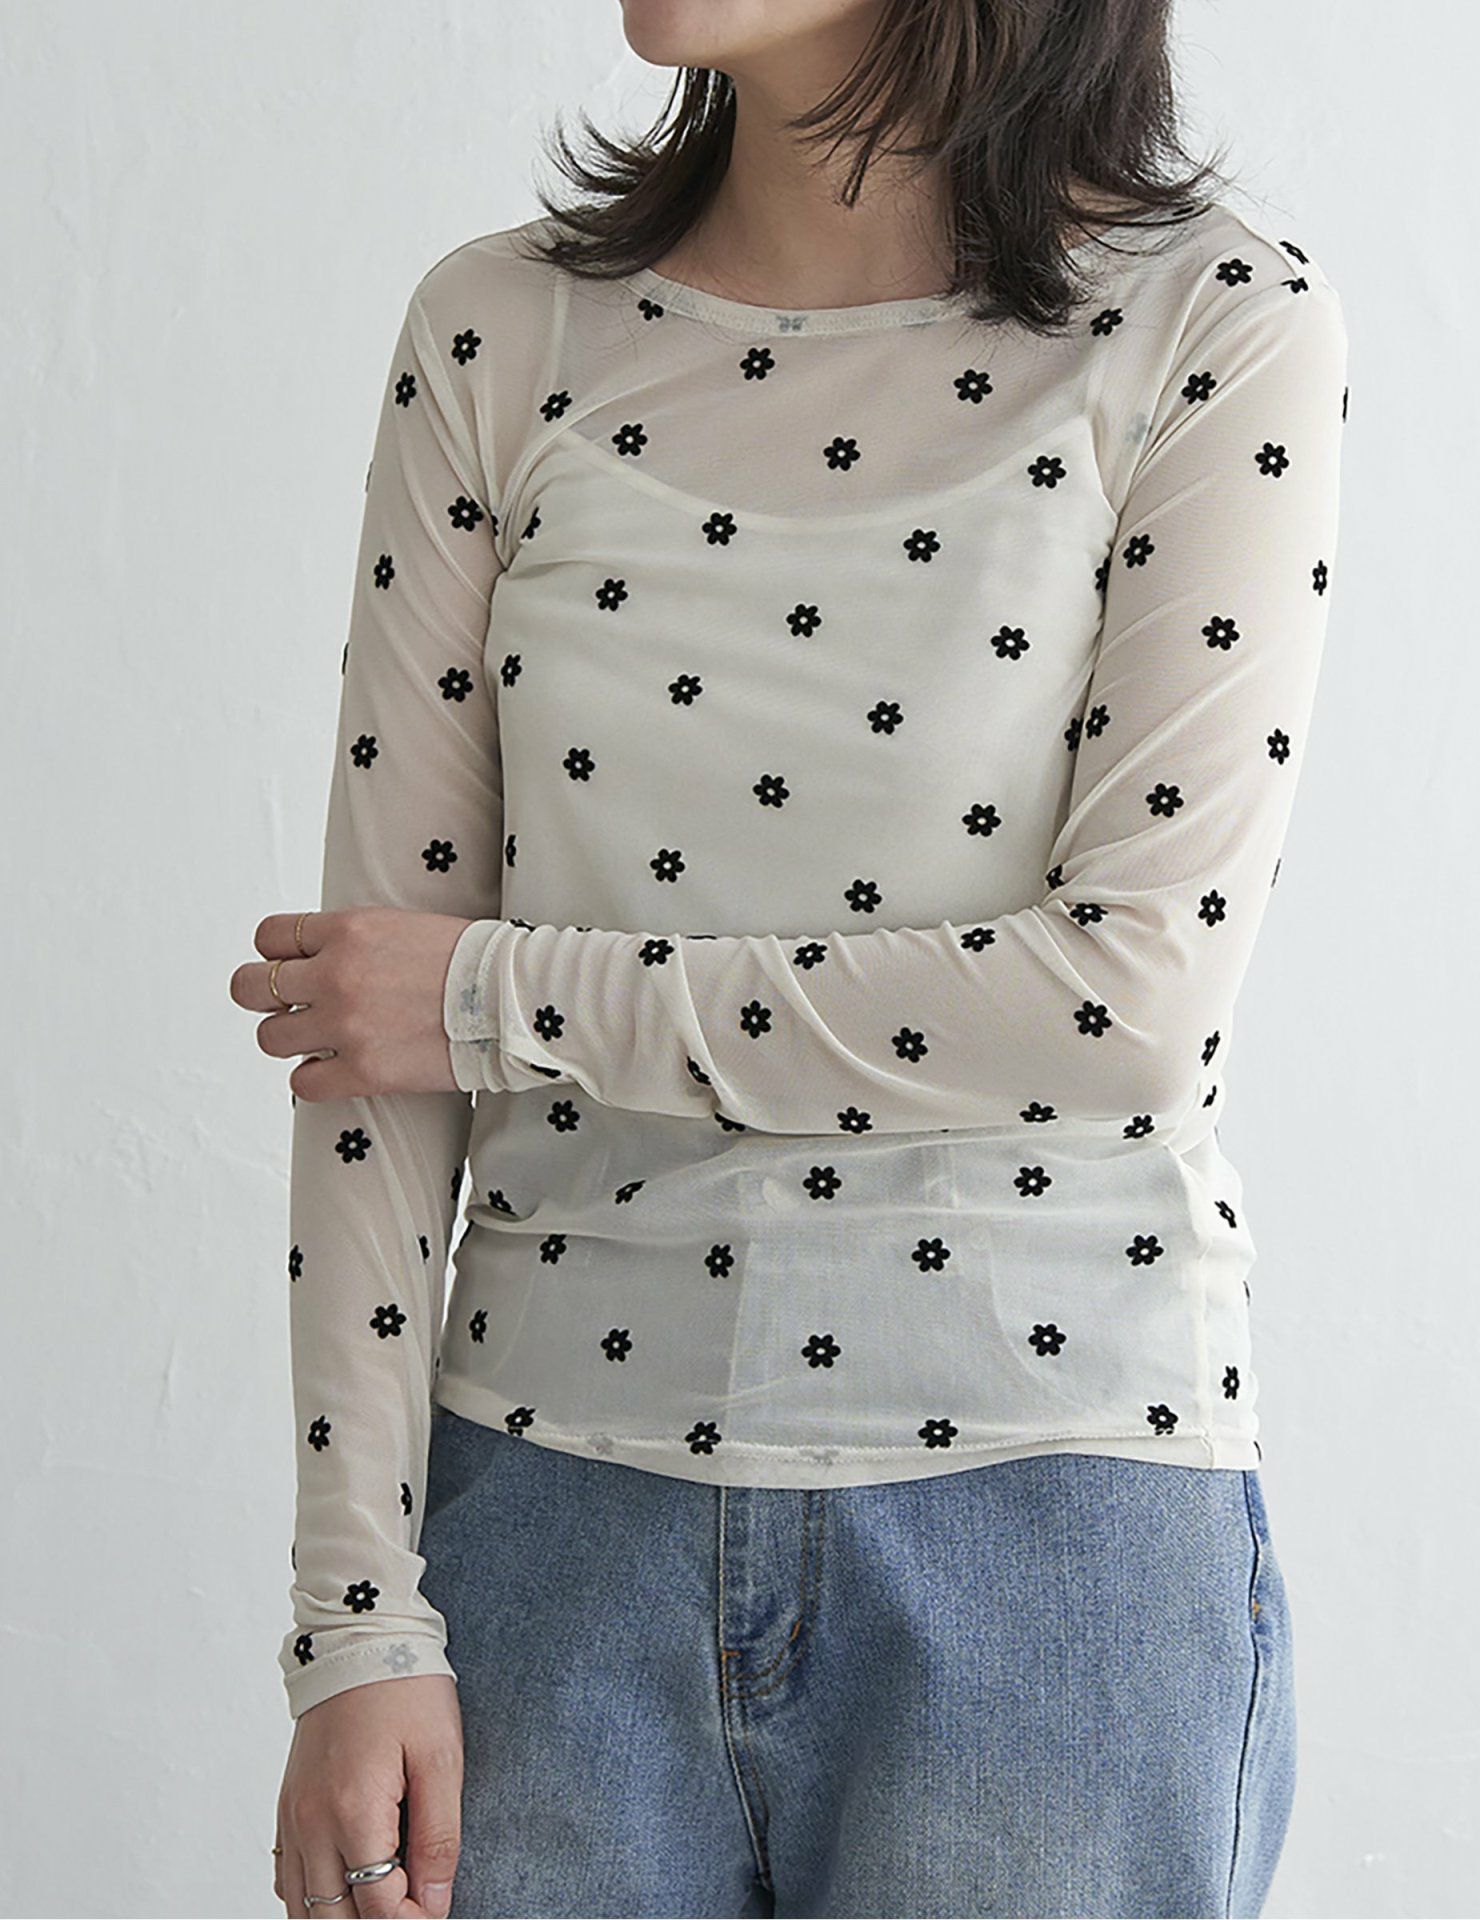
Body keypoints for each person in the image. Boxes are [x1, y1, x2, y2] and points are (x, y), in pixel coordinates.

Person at [234, 1, 1349, 1913]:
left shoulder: (1213, 325)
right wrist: (355, 1619)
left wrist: (501, 997)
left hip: (1050, 1543)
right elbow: (363, 1027)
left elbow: (1127, 1003)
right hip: (544, 1537)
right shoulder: (501, 331)